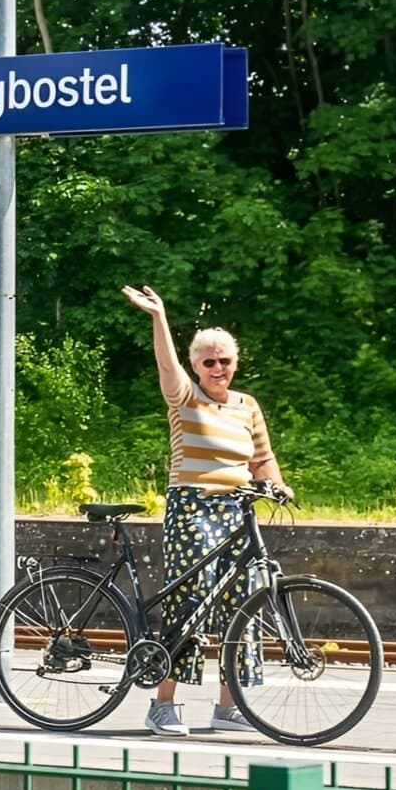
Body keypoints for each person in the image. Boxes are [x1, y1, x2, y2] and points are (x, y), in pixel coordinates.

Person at [120, 284, 294, 736]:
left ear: (235, 362)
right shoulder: (185, 398)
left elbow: (261, 458)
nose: (219, 368)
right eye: (209, 362)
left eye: (225, 361)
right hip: (193, 507)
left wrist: (275, 485)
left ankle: (227, 707)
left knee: (246, 600)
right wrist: (159, 318)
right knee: (192, 598)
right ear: (197, 366)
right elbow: (166, 364)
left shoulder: (247, 406)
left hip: (238, 508)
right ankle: (163, 704)